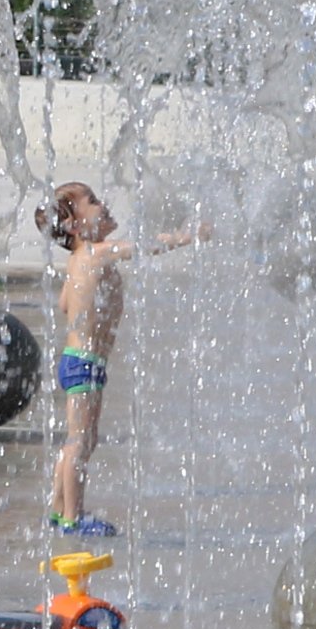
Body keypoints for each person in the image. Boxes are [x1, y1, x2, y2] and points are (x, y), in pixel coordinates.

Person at [38, 183, 190, 537]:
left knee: (76, 439)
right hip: (86, 361)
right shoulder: (95, 253)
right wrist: (187, 236)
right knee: (81, 441)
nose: (103, 205)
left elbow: (63, 303)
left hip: (77, 359)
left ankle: (59, 510)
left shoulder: (77, 262)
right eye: (92, 202)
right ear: (75, 226)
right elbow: (145, 247)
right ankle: (74, 518)